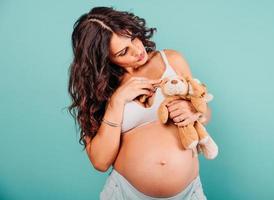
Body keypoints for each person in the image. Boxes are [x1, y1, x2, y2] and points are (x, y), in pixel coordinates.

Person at [68, 6, 212, 200]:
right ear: (104, 59)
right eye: (123, 52)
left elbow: (205, 110)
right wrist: (117, 101)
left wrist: (194, 111)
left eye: (132, 37)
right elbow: (100, 162)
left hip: (188, 193)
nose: (137, 50)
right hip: (125, 193)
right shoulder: (99, 92)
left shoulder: (171, 60)